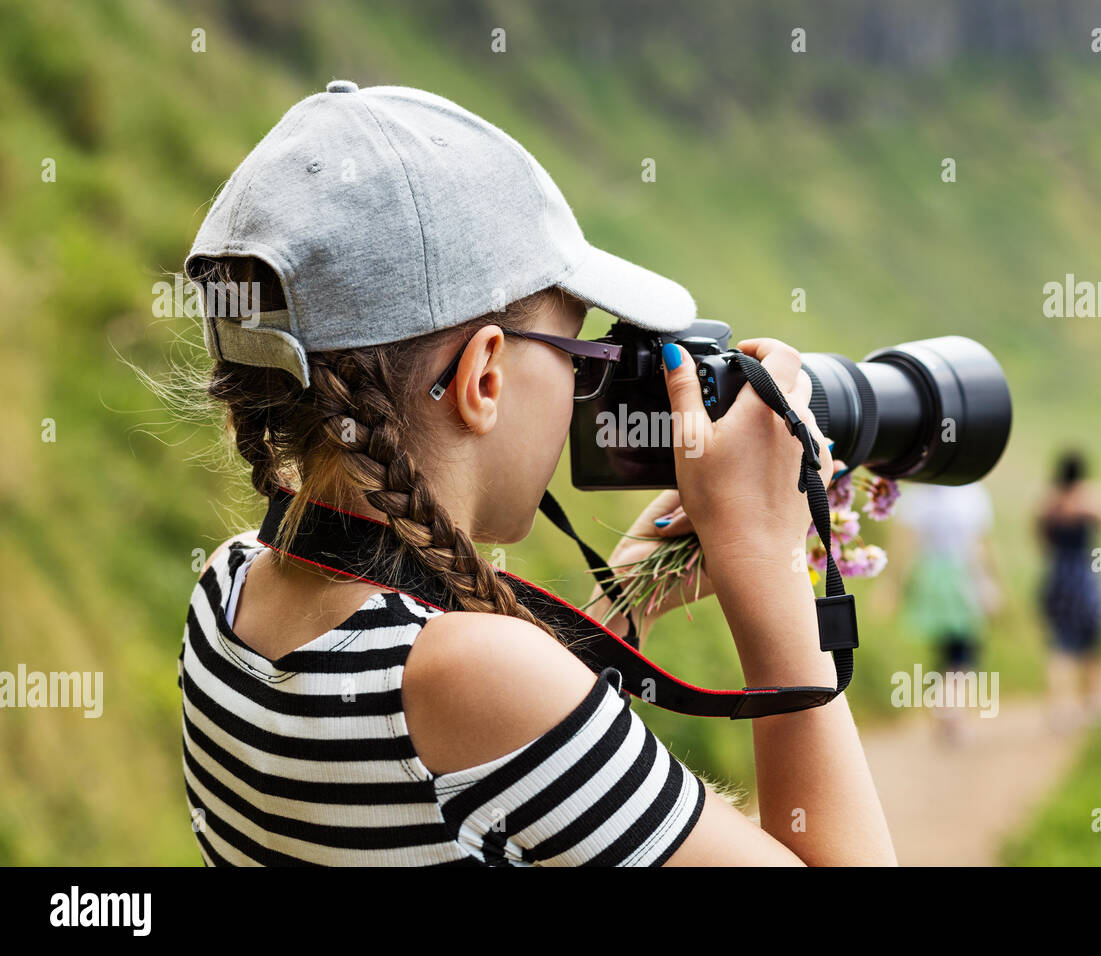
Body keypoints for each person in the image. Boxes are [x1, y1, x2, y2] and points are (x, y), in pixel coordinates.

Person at [170, 81, 895, 866]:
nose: (587, 388)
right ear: (485, 377)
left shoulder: (229, 590)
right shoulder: (470, 680)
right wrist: (767, 560)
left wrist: (619, 602)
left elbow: (479, 804)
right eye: (578, 353)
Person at [1035, 449, 1101, 729]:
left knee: (1060, 647)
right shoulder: (1088, 501)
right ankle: (1093, 704)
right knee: (1093, 644)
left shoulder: (1049, 503)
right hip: (1086, 575)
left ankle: (1058, 710)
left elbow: (1040, 538)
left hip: (1057, 575)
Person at [890, 482, 1001, 744]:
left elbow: (907, 548)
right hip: (963, 577)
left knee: (944, 653)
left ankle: (944, 715)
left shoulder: (918, 499)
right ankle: (952, 717)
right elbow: (982, 545)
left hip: (931, 577)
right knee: (963, 652)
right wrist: (992, 583)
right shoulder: (971, 495)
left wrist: (895, 587)